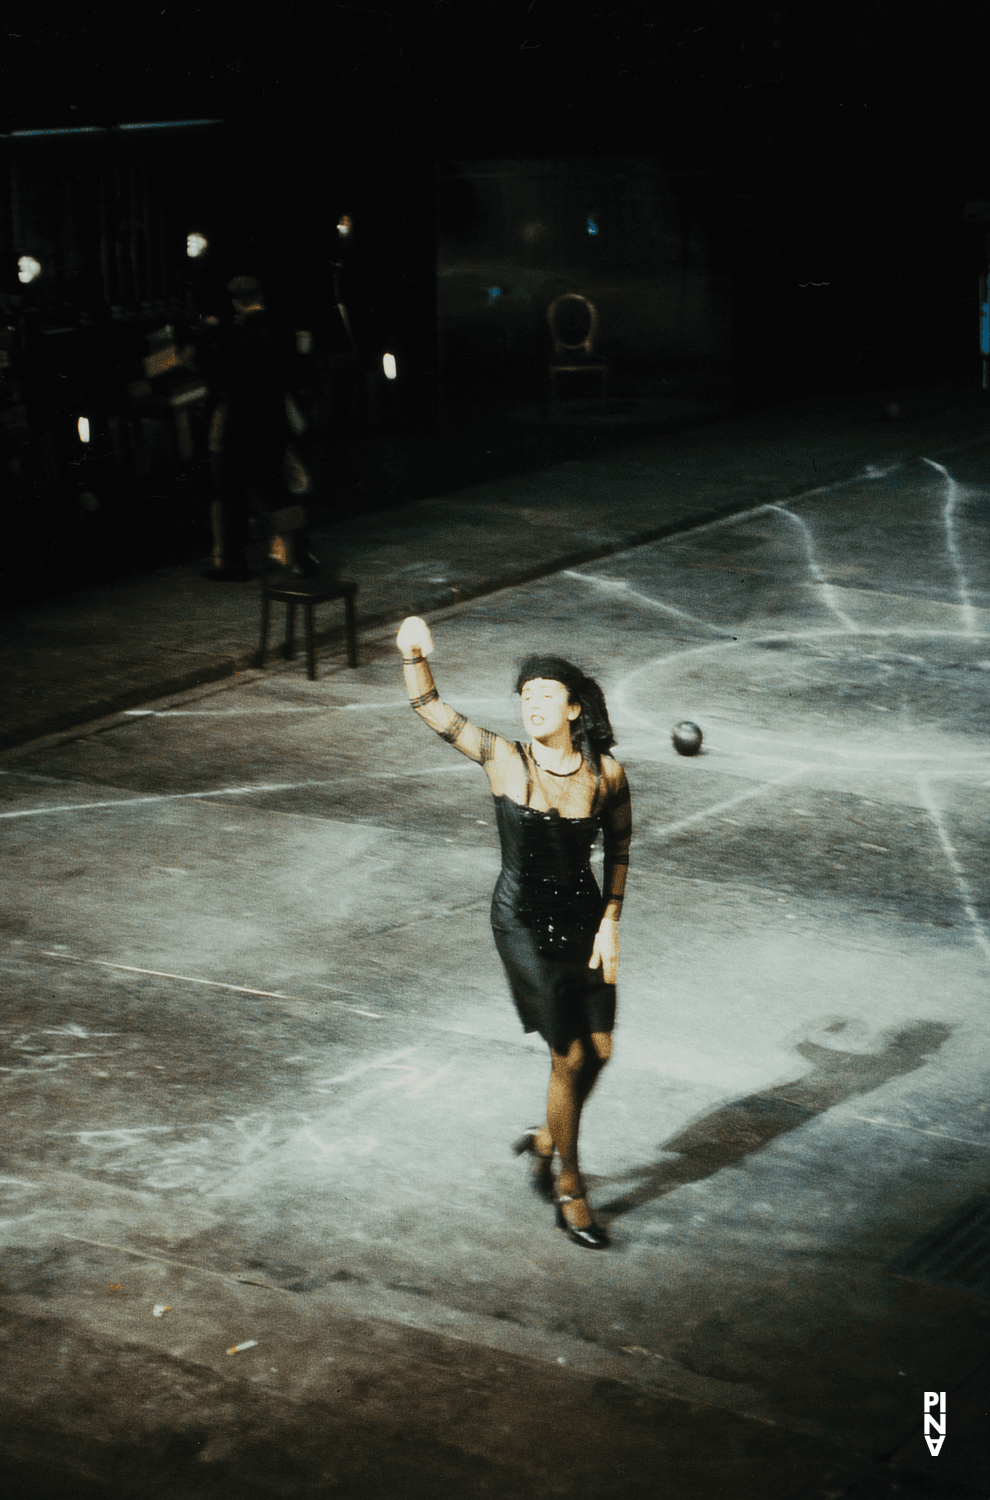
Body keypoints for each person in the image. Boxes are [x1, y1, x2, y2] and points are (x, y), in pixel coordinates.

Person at [396, 616, 631, 1248]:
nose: (532, 703)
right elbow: (432, 709)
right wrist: (414, 654)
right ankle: (569, 1187)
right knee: (569, 1055)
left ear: (574, 708)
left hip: (584, 921)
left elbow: (620, 848)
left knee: (601, 1050)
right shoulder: (504, 758)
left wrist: (610, 923)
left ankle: (549, 1135)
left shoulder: (607, 774)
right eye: (525, 696)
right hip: (521, 922)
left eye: (546, 693)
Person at [200, 275, 311, 581]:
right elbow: (294, 374)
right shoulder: (282, 330)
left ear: (236, 302)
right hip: (273, 422)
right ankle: (299, 556)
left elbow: (219, 377)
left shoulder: (233, 336)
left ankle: (234, 564)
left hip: (240, 426)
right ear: (261, 296)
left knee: (234, 496)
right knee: (277, 494)